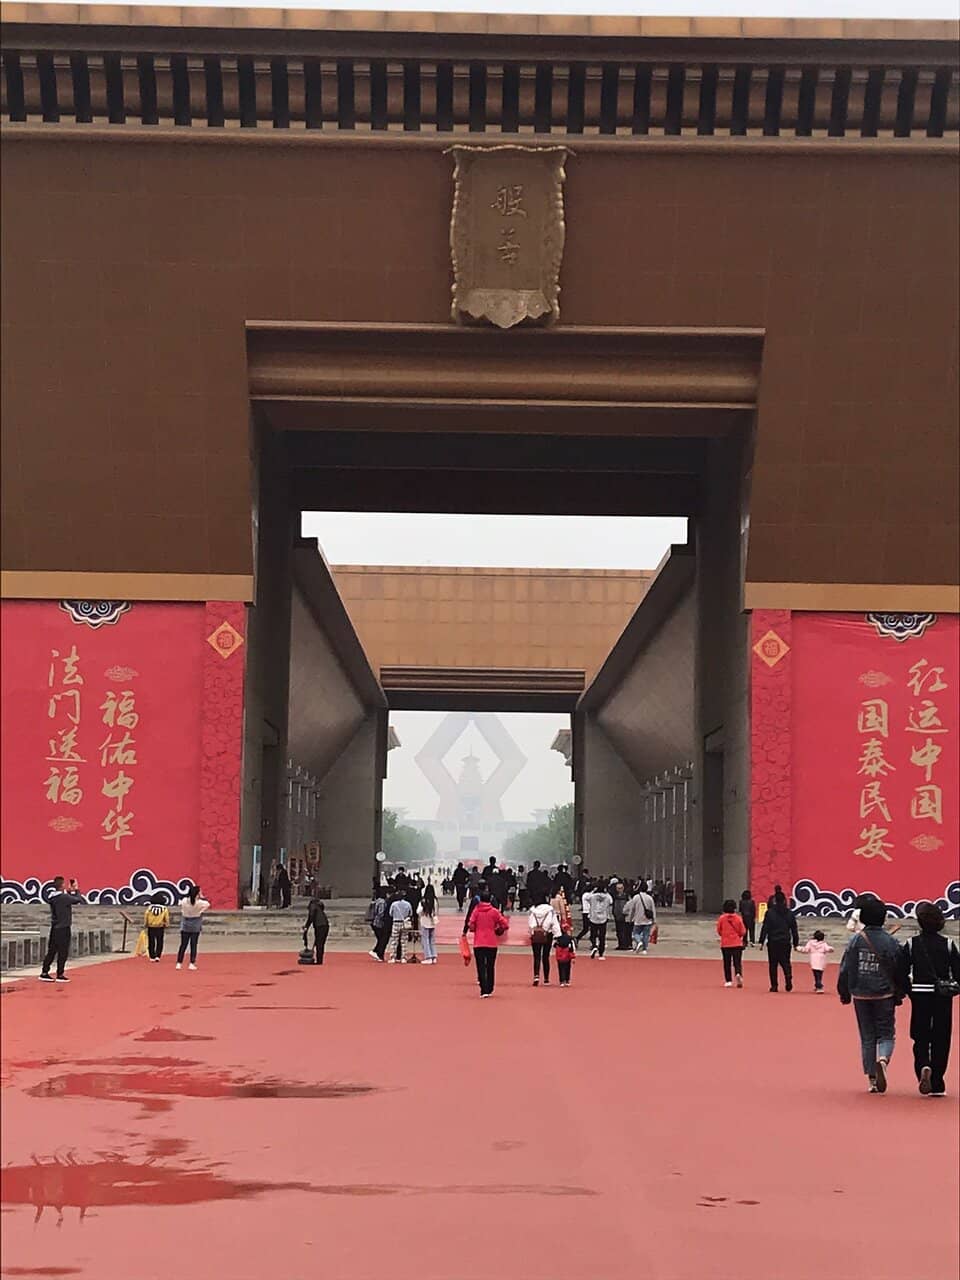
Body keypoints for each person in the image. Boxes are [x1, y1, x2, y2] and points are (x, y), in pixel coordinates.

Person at [838, 895, 909, 1094]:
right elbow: (899, 968)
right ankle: (883, 1060)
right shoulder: (891, 942)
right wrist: (901, 991)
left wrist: (844, 991)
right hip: (884, 993)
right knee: (886, 1033)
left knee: (867, 1036)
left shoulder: (855, 941)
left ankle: (871, 1078)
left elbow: (845, 968)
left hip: (860, 993)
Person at [901, 901, 960, 1098]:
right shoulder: (949, 944)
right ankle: (938, 1081)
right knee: (941, 1037)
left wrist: (908, 990)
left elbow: (901, 972)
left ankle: (923, 1066)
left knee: (920, 1035)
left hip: (919, 993)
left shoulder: (911, 944)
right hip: (942, 995)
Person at [38, 876, 83, 983]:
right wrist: (76, 889)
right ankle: (60, 974)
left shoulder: (53, 897)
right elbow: (78, 900)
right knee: (63, 951)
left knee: (52, 951)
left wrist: (68, 891)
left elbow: (64, 898)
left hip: (55, 927)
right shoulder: (64, 898)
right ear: (62, 885)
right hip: (63, 928)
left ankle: (44, 972)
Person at [467, 889, 508, 998]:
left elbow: (471, 924)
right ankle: (490, 987)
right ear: (490, 899)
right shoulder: (494, 911)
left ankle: (483, 989)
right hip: (491, 942)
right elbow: (505, 923)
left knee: (480, 966)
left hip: (478, 942)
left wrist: (475, 929)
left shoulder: (476, 911)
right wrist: (498, 928)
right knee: (490, 966)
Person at [759, 886, 799, 991]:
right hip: (785, 941)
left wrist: (761, 941)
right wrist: (796, 943)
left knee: (773, 964)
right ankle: (788, 979)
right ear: (784, 900)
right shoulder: (790, 913)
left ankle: (774, 985)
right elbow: (794, 929)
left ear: (775, 900)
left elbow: (765, 927)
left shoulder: (769, 913)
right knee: (786, 962)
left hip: (773, 941)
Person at [528, 896, 560, 987]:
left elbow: (530, 923)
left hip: (536, 934)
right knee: (546, 956)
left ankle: (536, 976)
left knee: (536, 956)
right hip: (547, 934)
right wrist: (557, 935)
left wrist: (531, 932)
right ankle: (546, 978)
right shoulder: (550, 910)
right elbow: (554, 923)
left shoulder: (532, 910)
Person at [176, 884, 210, 970]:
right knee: (193, 945)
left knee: (183, 945)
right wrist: (201, 897)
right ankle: (191, 963)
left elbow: (181, 905)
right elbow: (207, 904)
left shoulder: (184, 901)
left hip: (185, 924)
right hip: (195, 925)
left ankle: (179, 963)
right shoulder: (200, 903)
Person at [715, 898, 746, 987]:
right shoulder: (738, 918)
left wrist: (724, 935)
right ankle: (738, 973)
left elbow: (719, 930)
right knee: (737, 962)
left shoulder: (722, 918)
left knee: (727, 962)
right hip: (737, 943)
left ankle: (728, 980)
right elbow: (742, 931)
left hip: (725, 943)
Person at [626, 881, 657, 954]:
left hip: (638, 919)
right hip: (647, 919)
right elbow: (653, 909)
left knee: (635, 933)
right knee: (646, 934)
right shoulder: (649, 898)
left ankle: (639, 942)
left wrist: (630, 918)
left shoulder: (636, 898)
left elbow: (632, 909)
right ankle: (644, 949)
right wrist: (654, 919)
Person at [585, 879, 613, 958]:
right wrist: (606, 892)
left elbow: (586, 898)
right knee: (602, 936)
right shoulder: (607, 897)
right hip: (603, 918)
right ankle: (601, 953)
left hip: (593, 917)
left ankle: (594, 945)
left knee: (593, 935)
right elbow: (611, 901)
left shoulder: (592, 897)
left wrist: (593, 891)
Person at [388, 888, 413, 963]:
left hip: (396, 922)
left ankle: (393, 957)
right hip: (404, 923)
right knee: (404, 941)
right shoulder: (408, 904)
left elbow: (390, 913)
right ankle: (404, 958)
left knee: (394, 941)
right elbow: (410, 913)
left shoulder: (394, 904)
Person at [143, 892, 170, 963]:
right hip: (160, 927)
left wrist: (146, 924)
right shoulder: (164, 909)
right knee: (159, 941)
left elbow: (146, 916)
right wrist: (167, 924)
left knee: (151, 942)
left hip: (151, 927)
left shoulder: (149, 908)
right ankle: (158, 956)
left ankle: (152, 956)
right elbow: (166, 917)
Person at [305, 895, 329, 965]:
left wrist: (307, 926)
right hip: (325, 925)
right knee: (321, 943)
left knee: (319, 943)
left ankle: (319, 961)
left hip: (319, 925)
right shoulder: (320, 907)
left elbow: (311, 917)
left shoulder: (313, 906)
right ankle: (319, 959)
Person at [368, 887, 391, 961]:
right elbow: (381, 913)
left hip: (375, 922)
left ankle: (377, 953)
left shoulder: (377, 901)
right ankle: (376, 952)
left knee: (380, 939)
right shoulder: (382, 902)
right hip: (379, 923)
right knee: (382, 939)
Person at [419, 883, 439, 964]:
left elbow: (418, 911)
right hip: (432, 922)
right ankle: (434, 956)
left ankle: (428, 957)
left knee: (425, 940)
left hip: (425, 921)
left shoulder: (423, 900)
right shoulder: (435, 900)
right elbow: (436, 911)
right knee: (432, 940)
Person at [612, 883, 632, 950]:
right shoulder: (615, 896)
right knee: (619, 932)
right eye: (618, 888)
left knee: (626, 931)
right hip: (617, 916)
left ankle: (627, 944)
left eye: (620, 888)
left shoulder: (626, 896)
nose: (619, 890)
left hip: (625, 916)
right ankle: (620, 944)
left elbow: (630, 905)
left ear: (623, 888)